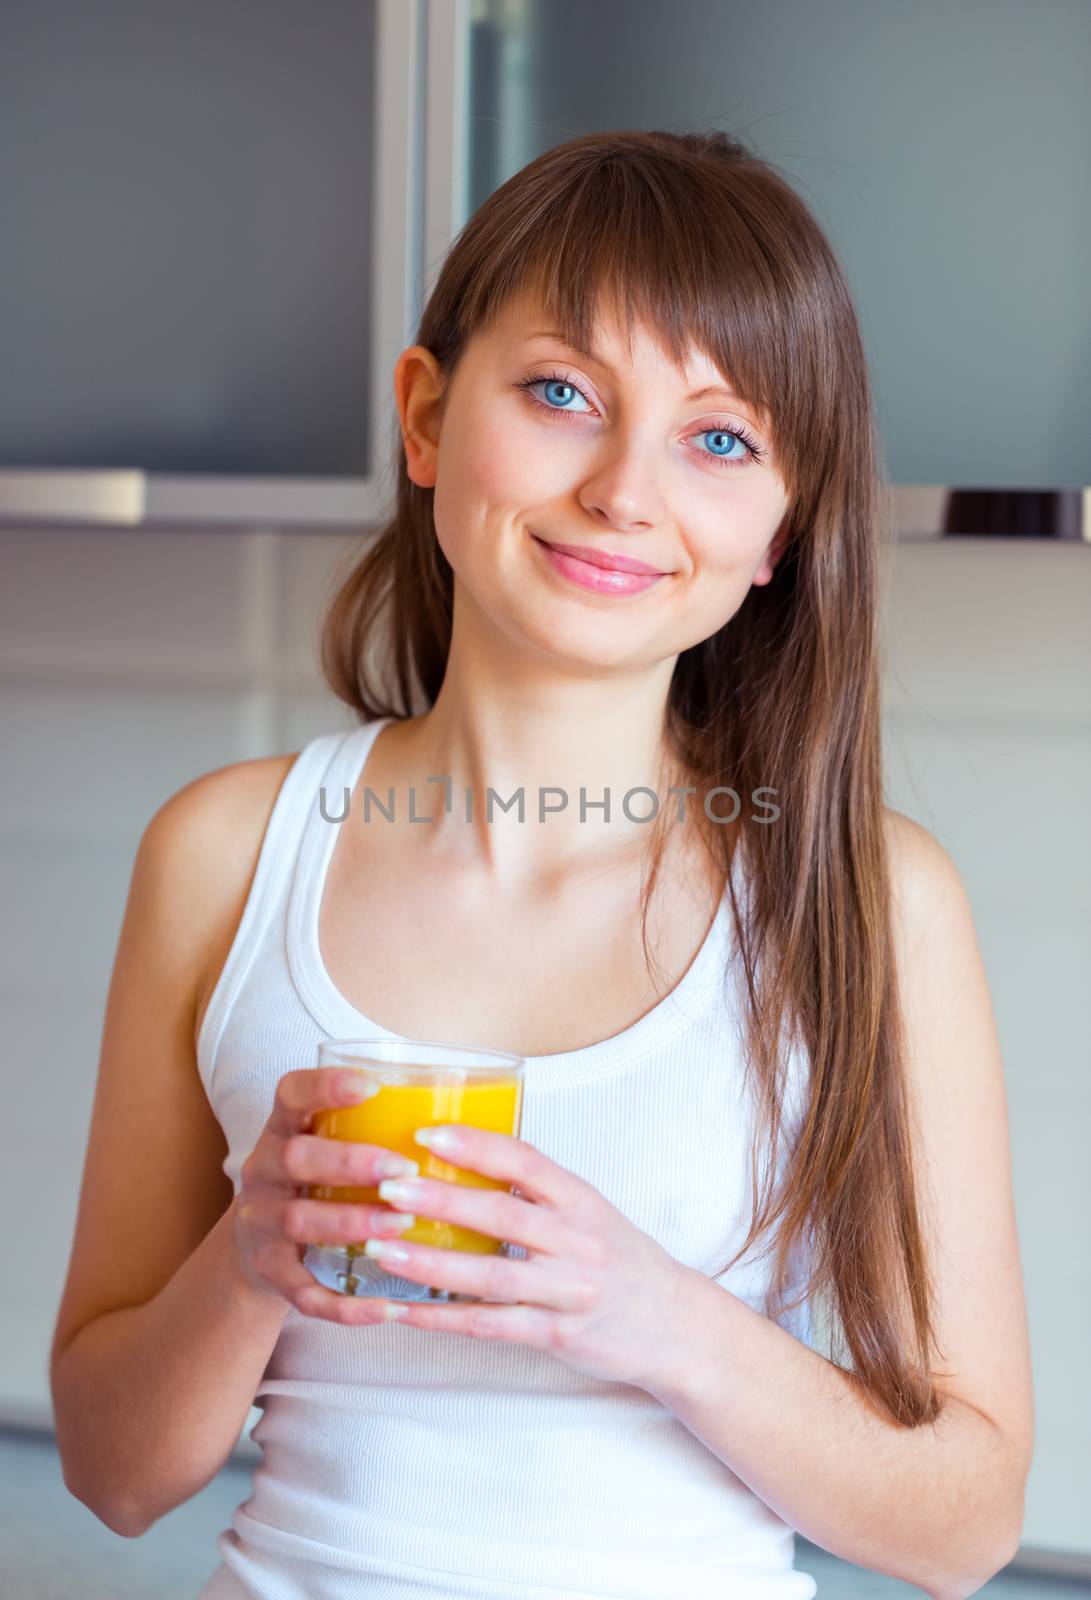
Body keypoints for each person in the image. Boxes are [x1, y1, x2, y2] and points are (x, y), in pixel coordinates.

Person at [48, 129, 1033, 1600]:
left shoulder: (869, 902)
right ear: (428, 418)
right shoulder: (225, 856)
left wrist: (648, 1315)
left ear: (781, 526)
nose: (625, 491)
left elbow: (965, 1529)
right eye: (564, 393)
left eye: (721, 438)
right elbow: (117, 1477)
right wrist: (246, 1263)